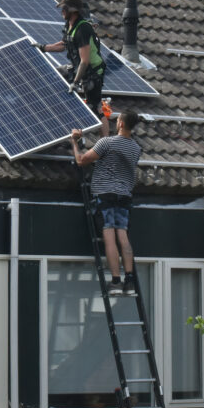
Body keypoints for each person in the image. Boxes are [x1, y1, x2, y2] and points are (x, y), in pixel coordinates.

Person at [70, 110, 142, 295]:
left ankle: (116, 282)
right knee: (123, 237)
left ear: (120, 124)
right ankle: (129, 280)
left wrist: (74, 142)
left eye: (116, 120)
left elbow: (81, 161)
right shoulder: (135, 148)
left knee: (109, 237)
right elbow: (113, 150)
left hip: (106, 194)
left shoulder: (106, 143)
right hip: (124, 196)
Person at [36, 0, 109, 137]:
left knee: (95, 107)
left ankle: (106, 141)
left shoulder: (82, 29)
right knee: (54, 74)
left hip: (91, 72)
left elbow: (85, 60)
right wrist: (43, 47)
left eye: (64, 8)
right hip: (77, 67)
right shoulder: (70, 25)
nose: (62, 11)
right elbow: (63, 44)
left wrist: (75, 82)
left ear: (73, 10)